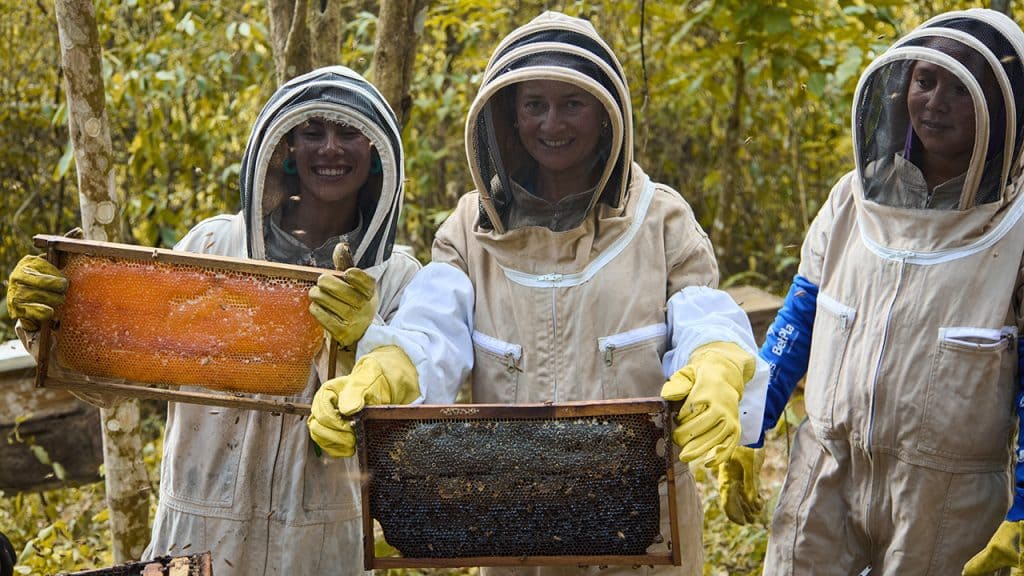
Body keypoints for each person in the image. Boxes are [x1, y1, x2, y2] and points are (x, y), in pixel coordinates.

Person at [305, 11, 768, 575]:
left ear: (604, 113)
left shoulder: (660, 219)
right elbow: (432, 330)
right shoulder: (468, 230)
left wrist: (718, 362)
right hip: (511, 539)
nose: (553, 122)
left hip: (644, 547)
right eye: (534, 105)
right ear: (509, 118)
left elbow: (702, 312)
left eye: (572, 102)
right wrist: (385, 367)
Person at [5, 66, 420, 575]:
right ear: (286, 146)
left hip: (321, 546)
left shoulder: (397, 276)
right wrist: (51, 323)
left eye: (349, 132)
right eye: (313, 131)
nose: (330, 148)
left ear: (377, 150)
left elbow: (413, 412)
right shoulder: (213, 246)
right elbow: (114, 373)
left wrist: (366, 340)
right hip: (197, 531)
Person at [720, 9, 1024, 574]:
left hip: (948, 495)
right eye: (925, 80)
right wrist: (750, 421)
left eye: (962, 88)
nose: (935, 102)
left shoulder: (1018, 225)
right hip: (826, 468)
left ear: (1001, 105)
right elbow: (803, 313)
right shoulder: (850, 197)